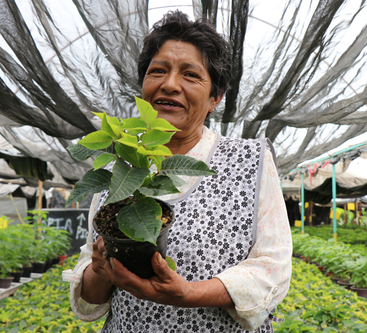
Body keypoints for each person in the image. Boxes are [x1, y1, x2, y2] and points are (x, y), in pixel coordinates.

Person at [63, 10, 292, 333]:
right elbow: (90, 297)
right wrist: (100, 269)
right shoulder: (121, 169)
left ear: (215, 97)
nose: (170, 85)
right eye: (158, 71)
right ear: (143, 85)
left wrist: (190, 293)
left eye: (190, 75)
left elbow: (273, 269)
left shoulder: (250, 160)